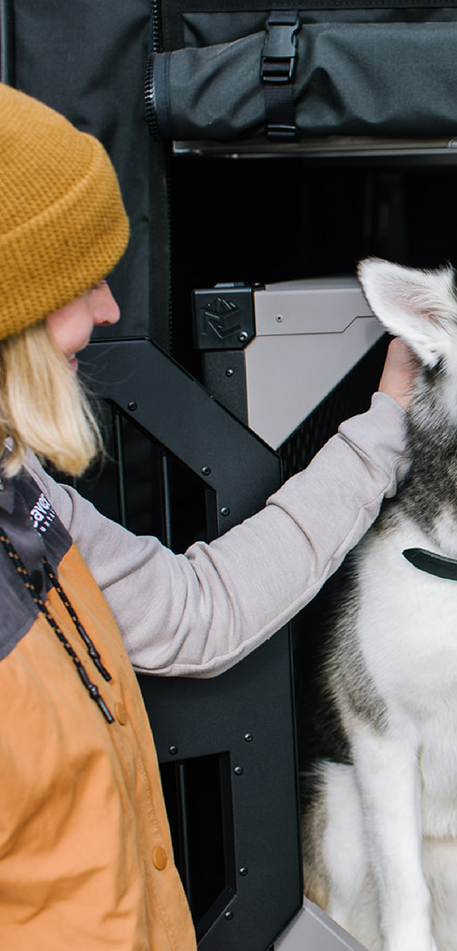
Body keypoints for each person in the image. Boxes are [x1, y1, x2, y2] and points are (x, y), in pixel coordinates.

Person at [0, 83, 416, 950]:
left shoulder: (20, 497)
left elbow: (199, 612)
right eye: (81, 284)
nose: (111, 310)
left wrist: (383, 432)